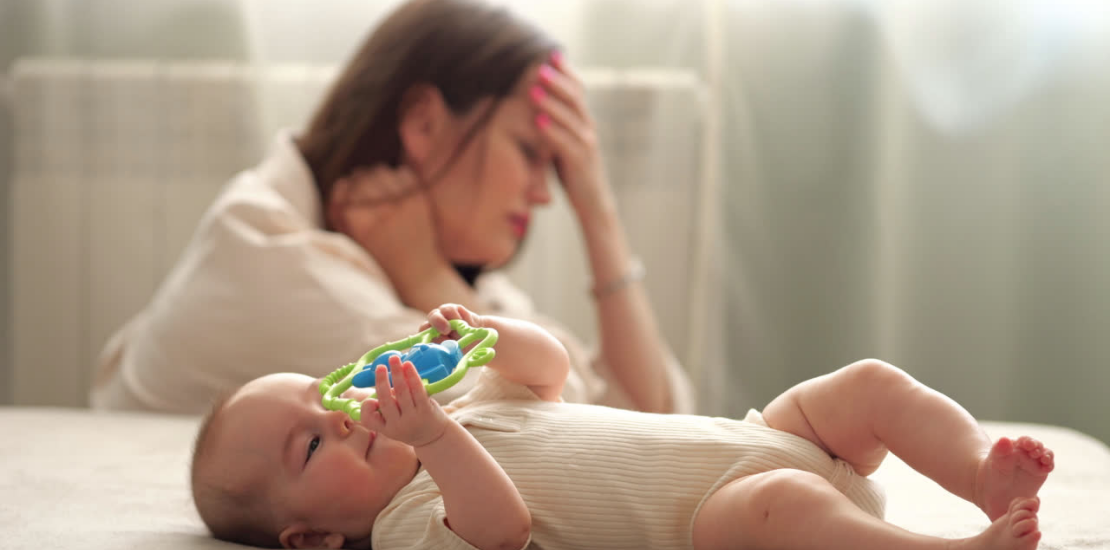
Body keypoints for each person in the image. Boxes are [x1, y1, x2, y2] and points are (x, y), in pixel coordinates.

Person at [89, 0, 692, 415]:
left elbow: (646, 410)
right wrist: (425, 276)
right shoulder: (275, 257)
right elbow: (570, 433)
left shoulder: (407, 258)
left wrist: (598, 209)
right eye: (533, 152)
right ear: (424, 122)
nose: (544, 192)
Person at [191, 303, 1055, 550]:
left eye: (324, 397)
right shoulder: (408, 521)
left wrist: (483, 333)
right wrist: (434, 442)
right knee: (781, 503)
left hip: (764, 432)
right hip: (711, 519)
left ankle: (979, 474)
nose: (342, 421)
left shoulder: (471, 406)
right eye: (311, 444)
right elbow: (505, 530)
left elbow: (549, 370)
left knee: (866, 384)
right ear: (309, 542)